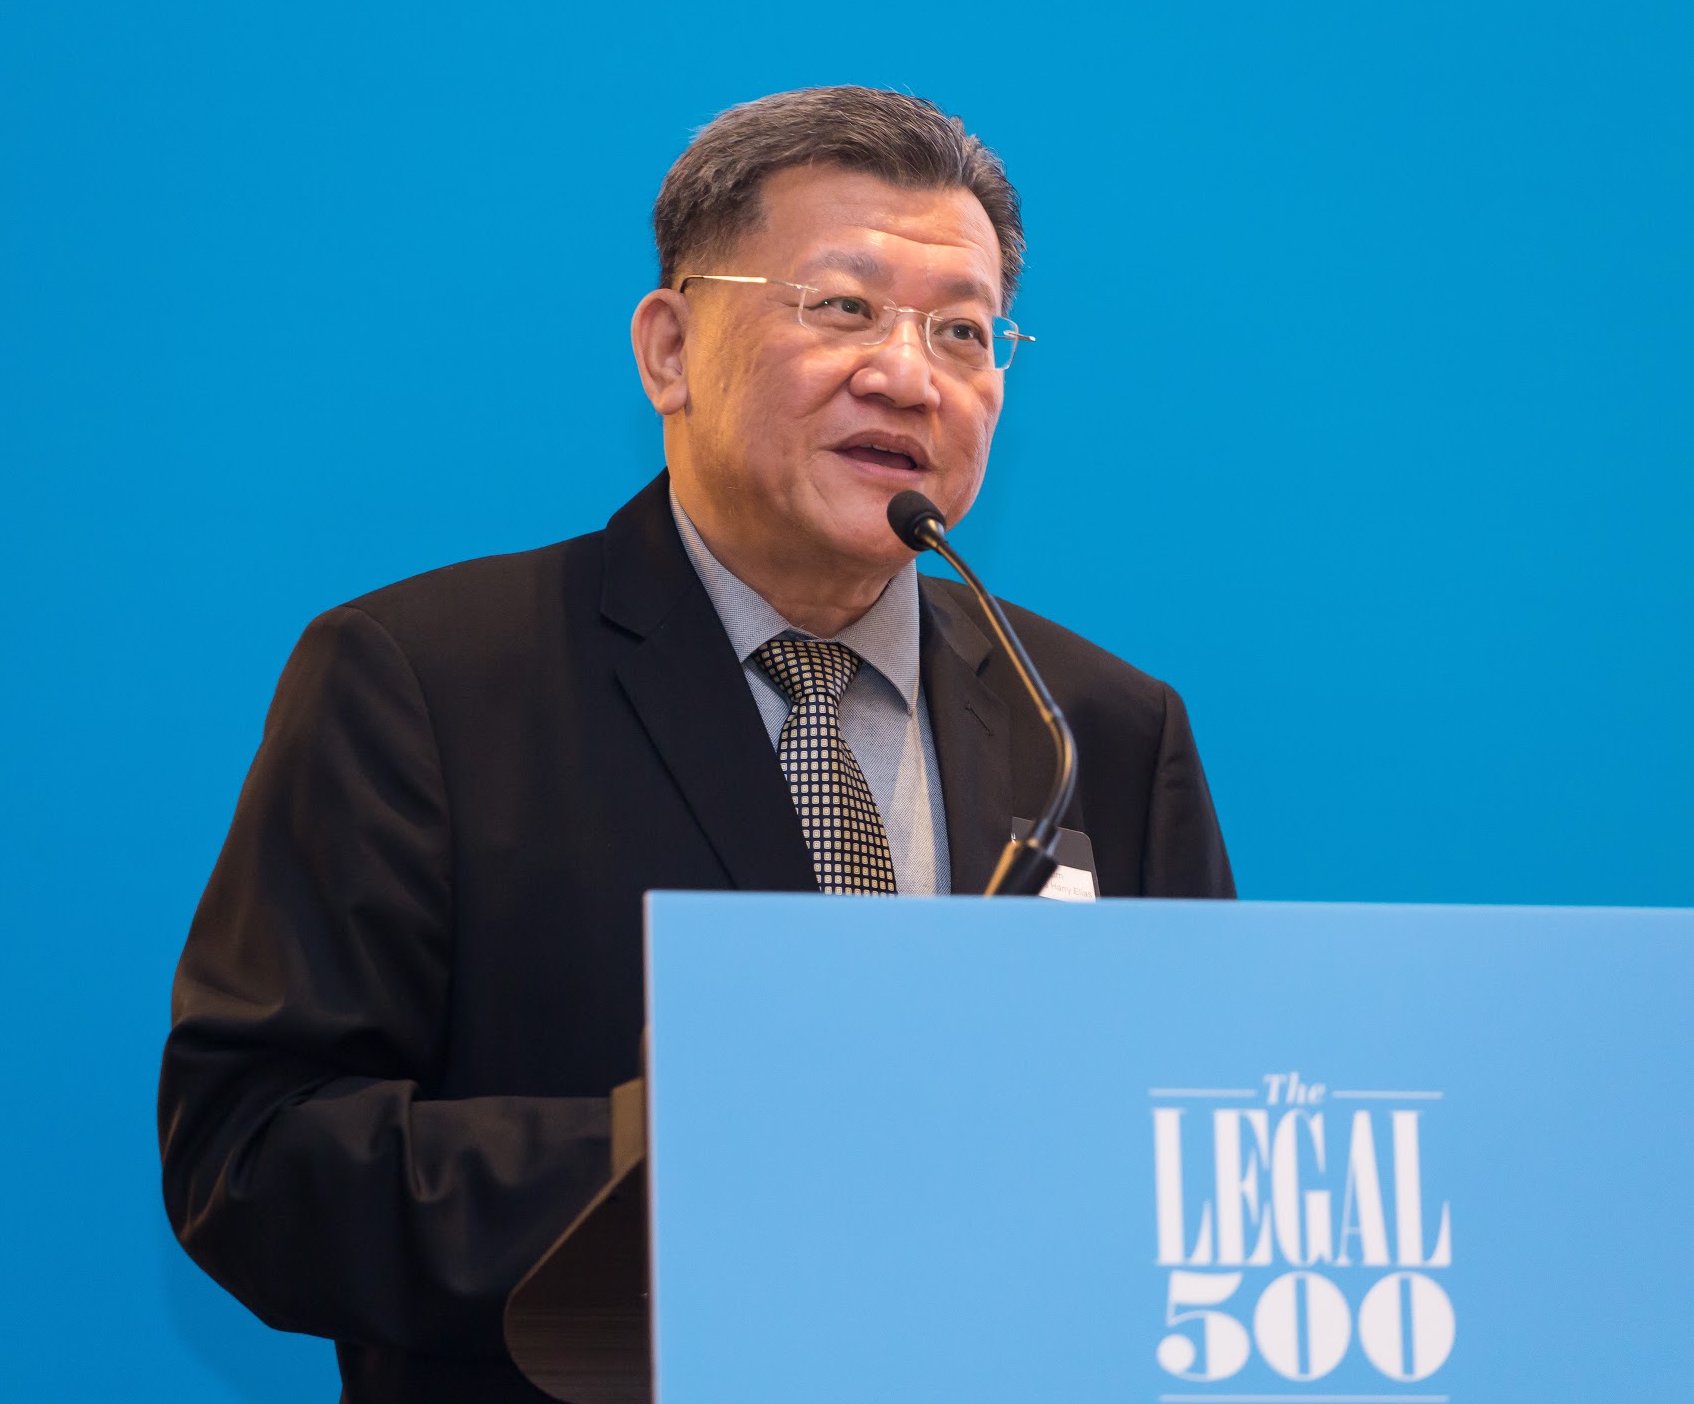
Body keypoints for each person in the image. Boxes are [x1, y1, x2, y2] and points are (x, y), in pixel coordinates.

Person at [159, 85, 1235, 1403]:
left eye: (962, 330)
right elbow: (253, 1158)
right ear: (669, 350)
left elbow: (1196, 1150)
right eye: (843, 307)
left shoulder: (1097, 727)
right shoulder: (425, 682)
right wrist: (694, 1161)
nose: (908, 374)